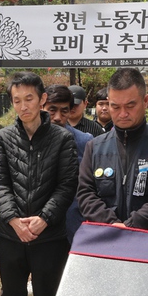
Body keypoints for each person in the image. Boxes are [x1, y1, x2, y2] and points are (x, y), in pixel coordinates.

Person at [0, 72, 77, 296]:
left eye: (29, 99)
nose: (23, 106)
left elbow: (67, 185)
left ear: (42, 100)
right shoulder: (3, 138)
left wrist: (43, 219)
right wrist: (14, 219)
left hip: (49, 237)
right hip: (11, 235)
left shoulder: (62, 139)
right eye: (17, 100)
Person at [77, 68, 148, 232]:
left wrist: (131, 226)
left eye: (130, 105)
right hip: (104, 236)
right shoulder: (94, 147)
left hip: (146, 237)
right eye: (115, 107)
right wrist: (112, 224)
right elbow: (86, 194)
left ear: (145, 101)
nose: (123, 114)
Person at [44, 84, 94, 244]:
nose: (58, 117)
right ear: (41, 107)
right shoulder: (31, 142)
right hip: (41, 228)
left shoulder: (84, 142)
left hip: (73, 226)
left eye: (64, 111)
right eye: (52, 110)